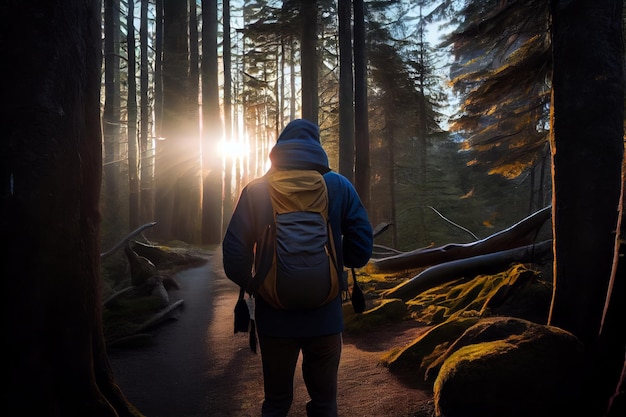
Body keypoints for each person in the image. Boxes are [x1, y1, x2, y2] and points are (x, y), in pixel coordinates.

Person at [222, 118, 373, 417]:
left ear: (280, 149)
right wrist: (343, 261)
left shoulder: (256, 190)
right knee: (325, 403)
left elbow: (234, 253)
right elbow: (361, 248)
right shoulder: (338, 185)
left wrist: (256, 284)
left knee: (276, 402)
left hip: (275, 319)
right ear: (316, 148)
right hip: (326, 316)